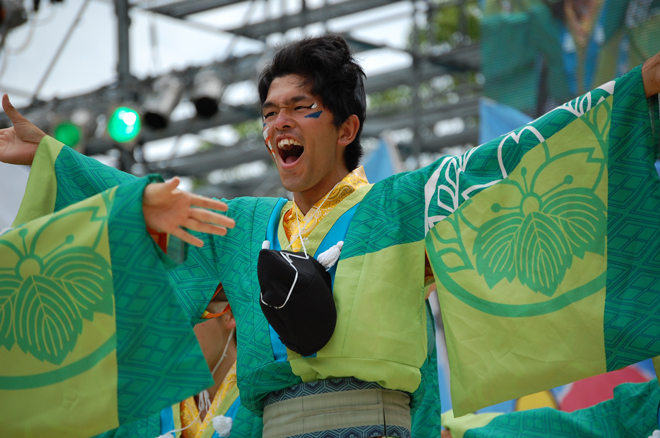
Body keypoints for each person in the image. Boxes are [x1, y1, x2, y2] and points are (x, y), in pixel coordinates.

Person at [1, 34, 660, 438]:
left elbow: (510, 166)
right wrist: (55, 159)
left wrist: (635, 94)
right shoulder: (244, 229)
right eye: (269, 113)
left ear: (346, 129)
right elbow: (142, 210)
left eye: (300, 108)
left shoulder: (402, 207)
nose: (278, 124)